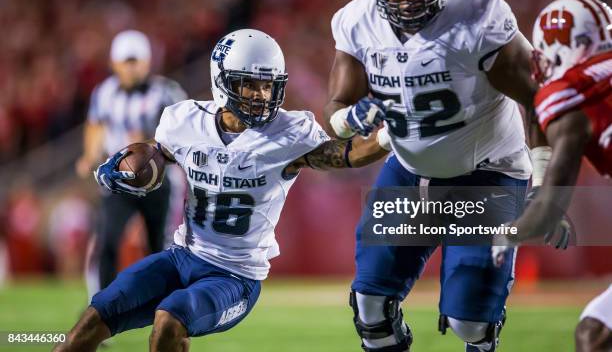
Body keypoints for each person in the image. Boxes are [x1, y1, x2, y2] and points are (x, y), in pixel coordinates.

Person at [55, 28, 389, 351]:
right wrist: (124, 166)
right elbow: (157, 154)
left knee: (169, 321)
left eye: (268, 85)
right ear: (222, 83)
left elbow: (345, 155)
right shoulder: (185, 121)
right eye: (250, 85)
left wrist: (389, 134)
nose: (261, 95)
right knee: (86, 327)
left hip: (235, 276)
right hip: (182, 256)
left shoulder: (290, 133)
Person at [324, 0, 549, 351]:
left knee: (470, 323)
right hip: (410, 171)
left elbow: (538, 98)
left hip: (488, 172)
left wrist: (545, 182)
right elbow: (337, 109)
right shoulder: (357, 22)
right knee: (370, 305)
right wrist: (348, 121)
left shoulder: (478, 17)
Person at [492, 0, 612, 352]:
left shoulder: (569, 93)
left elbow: (549, 209)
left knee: (594, 336)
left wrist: (509, 233)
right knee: (596, 334)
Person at [76, 30, 187, 299]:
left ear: (148, 61)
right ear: (114, 63)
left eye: (136, 61)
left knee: (158, 247)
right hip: (118, 181)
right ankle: (102, 309)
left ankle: (164, 309)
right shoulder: (104, 93)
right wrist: (89, 155)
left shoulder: (167, 92)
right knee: (107, 242)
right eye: (126, 61)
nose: (132, 67)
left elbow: (184, 132)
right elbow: (95, 124)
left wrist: (146, 144)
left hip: (158, 180)